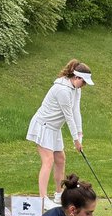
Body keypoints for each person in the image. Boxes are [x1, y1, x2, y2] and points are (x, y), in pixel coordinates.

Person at [26, 60, 94, 206]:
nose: (84, 85)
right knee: (48, 160)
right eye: (84, 82)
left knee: (60, 159)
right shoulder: (62, 90)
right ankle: (43, 199)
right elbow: (68, 116)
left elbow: (76, 111)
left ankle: (59, 195)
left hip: (55, 129)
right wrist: (75, 140)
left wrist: (80, 134)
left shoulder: (76, 89)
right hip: (43, 126)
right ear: (77, 78)